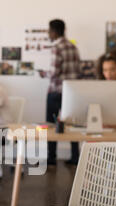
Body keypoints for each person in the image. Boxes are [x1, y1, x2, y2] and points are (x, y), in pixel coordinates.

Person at [38, 19, 81, 166]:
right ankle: (75, 156)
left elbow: (54, 72)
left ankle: (52, 157)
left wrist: (43, 73)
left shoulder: (56, 47)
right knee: (72, 124)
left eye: (49, 31)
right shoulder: (73, 47)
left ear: (54, 32)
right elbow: (78, 70)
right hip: (71, 92)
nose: (48, 33)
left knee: (51, 124)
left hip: (56, 91)